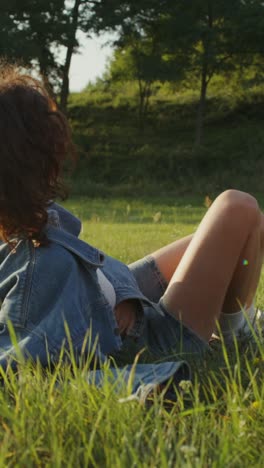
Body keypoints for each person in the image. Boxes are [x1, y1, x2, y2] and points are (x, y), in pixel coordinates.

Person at [0, 68, 262, 393]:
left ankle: (239, 323)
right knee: (237, 208)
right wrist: (114, 338)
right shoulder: (40, 265)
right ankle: (235, 338)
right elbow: (22, 372)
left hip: (121, 286)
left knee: (233, 236)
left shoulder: (25, 219)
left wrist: (108, 301)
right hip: (155, 336)